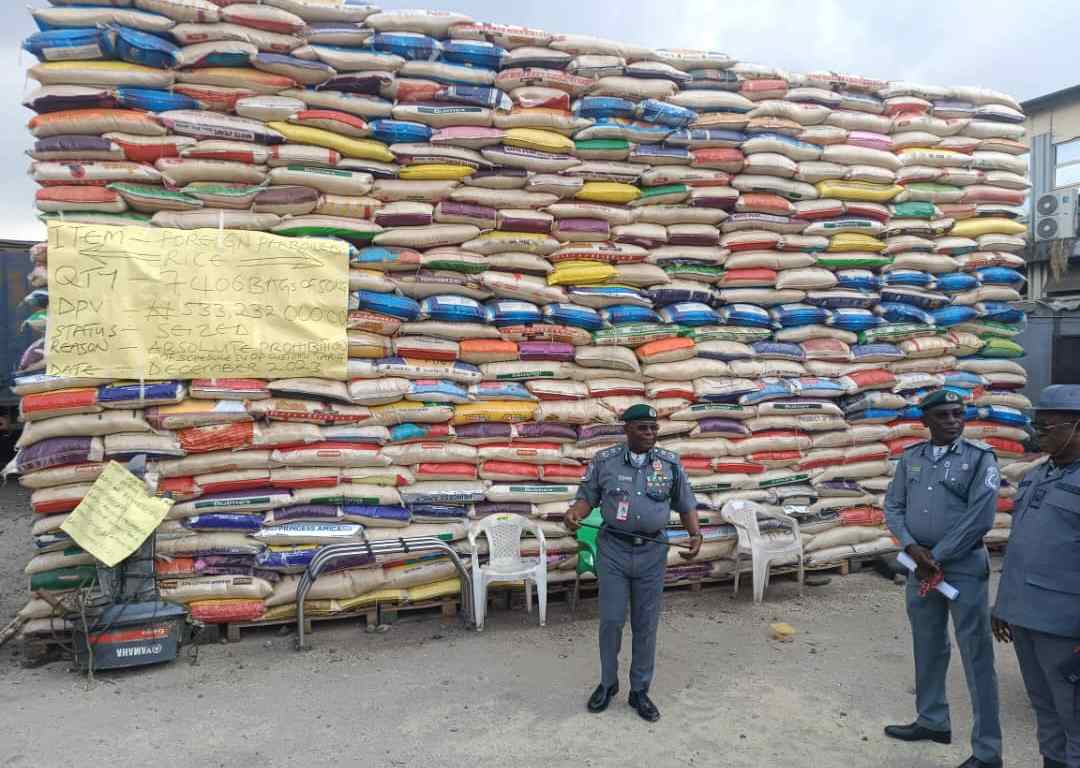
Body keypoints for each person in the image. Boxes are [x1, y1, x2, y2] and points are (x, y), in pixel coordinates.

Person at [883, 388, 1003, 768]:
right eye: (944, 415)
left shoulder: (980, 459)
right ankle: (932, 720)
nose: (953, 421)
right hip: (921, 566)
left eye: (958, 414)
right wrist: (911, 546)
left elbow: (981, 517)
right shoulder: (912, 458)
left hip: (962, 567)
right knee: (928, 644)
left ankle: (987, 750)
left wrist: (938, 555)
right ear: (926, 421)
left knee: (976, 654)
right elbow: (893, 505)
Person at [564, 403, 702, 722]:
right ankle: (608, 684)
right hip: (613, 550)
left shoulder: (669, 463)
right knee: (611, 621)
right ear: (626, 429)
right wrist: (576, 514)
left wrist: (695, 534)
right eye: (642, 428)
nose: (650, 434)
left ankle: (639, 690)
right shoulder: (605, 461)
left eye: (654, 428)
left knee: (645, 624)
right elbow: (588, 497)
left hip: (652, 554)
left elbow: (685, 502)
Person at [992, 385, 1080, 768]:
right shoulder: (1037, 476)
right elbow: (1022, 548)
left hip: (1065, 625)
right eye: (1035, 425)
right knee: (1044, 709)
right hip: (1026, 617)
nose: (1037, 434)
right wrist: (1003, 604)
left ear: (1077, 427)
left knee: (1074, 716)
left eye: (1047, 427)